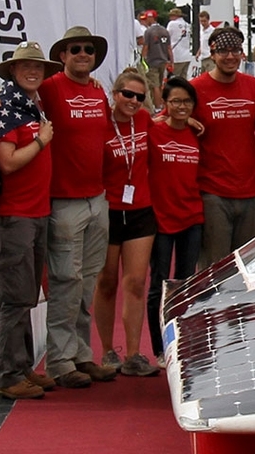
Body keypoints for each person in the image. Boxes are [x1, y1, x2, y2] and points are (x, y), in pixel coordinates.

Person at [40, 26, 117, 388]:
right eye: (75, 49)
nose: (82, 54)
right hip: (64, 201)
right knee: (65, 282)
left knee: (86, 283)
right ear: (63, 56)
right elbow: (9, 96)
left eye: (88, 49)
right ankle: (58, 361)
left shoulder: (98, 92)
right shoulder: (50, 87)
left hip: (97, 199)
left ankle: (82, 355)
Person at [0, 41, 60, 399]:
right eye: (26, 66)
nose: (33, 71)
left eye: (38, 67)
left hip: (36, 213)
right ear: (14, 72)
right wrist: (42, 142)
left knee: (26, 295)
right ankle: (8, 375)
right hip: (16, 215)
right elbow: (8, 162)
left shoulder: (29, 105)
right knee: (16, 298)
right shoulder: (9, 110)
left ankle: (22, 367)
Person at [95, 69, 159, 378]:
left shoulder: (146, 121)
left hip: (140, 210)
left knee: (135, 283)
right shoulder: (101, 123)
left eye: (139, 97)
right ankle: (108, 351)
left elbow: (173, 123)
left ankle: (133, 353)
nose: (133, 101)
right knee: (106, 282)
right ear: (114, 94)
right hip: (107, 210)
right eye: (127, 95)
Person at [191, 26, 255, 268]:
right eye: (223, 51)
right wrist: (186, 119)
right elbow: (164, 119)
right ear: (212, 54)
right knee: (214, 268)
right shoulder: (195, 89)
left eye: (235, 50)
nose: (230, 56)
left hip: (251, 191)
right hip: (213, 192)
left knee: (247, 267)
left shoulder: (254, 87)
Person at [147, 77, 203, 367]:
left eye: (186, 102)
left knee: (184, 285)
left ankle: (181, 343)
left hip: (191, 217)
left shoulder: (198, 133)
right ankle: (158, 348)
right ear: (165, 104)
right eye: (175, 101)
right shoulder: (153, 131)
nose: (181, 107)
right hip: (159, 220)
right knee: (158, 284)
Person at [142, 10, 173, 109]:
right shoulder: (165, 30)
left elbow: (146, 47)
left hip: (152, 61)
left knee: (154, 85)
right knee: (160, 85)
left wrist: (142, 59)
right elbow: (169, 48)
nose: (146, 20)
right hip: (163, 60)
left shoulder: (148, 31)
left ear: (152, 18)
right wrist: (171, 61)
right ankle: (161, 105)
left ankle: (157, 106)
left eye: (147, 18)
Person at [167, 8, 192, 79]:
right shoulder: (187, 25)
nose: (170, 18)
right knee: (184, 77)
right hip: (187, 55)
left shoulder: (172, 24)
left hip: (176, 55)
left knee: (174, 77)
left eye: (171, 16)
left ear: (175, 16)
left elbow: (167, 36)